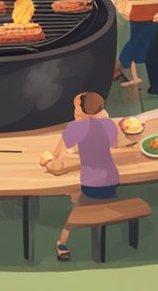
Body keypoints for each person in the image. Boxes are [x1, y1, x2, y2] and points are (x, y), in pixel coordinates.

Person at [43, 92, 121, 262]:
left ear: (81, 110)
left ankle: (62, 244)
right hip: (113, 181)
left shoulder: (75, 128)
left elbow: (57, 161)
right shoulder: (109, 125)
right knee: (89, 199)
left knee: (76, 207)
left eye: (76, 106)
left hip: (91, 186)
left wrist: (48, 164)